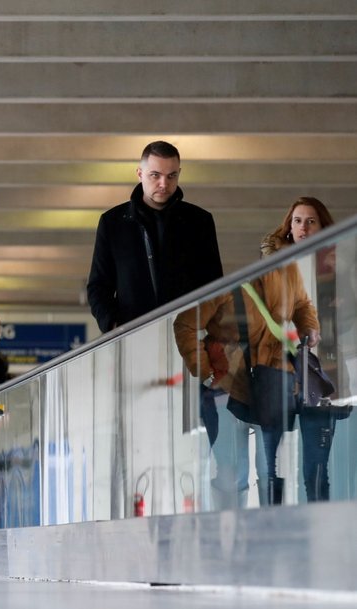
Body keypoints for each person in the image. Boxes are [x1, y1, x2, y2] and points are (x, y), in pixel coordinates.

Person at [174, 199, 321, 507]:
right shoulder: (229, 290)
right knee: (235, 473)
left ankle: (262, 535)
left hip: (268, 386)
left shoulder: (290, 281)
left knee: (266, 470)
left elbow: (303, 305)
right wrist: (205, 369)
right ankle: (234, 537)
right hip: (227, 392)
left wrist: (309, 329)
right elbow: (185, 324)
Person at [88, 141, 223, 332]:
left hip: (187, 335)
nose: (164, 184)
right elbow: (98, 286)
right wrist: (113, 326)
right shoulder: (113, 223)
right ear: (140, 174)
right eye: (155, 175)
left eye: (171, 176)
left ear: (179, 174)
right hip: (132, 335)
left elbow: (214, 283)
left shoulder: (199, 221)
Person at [262, 197, 337, 502]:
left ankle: (321, 525)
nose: (303, 227)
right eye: (297, 221)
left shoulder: (339, 265)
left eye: (311, 221)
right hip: (279, 368)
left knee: (317, 462)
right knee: (274, 461)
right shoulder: (274, 268)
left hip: (321, 370)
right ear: (288, 227)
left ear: (323, 227)